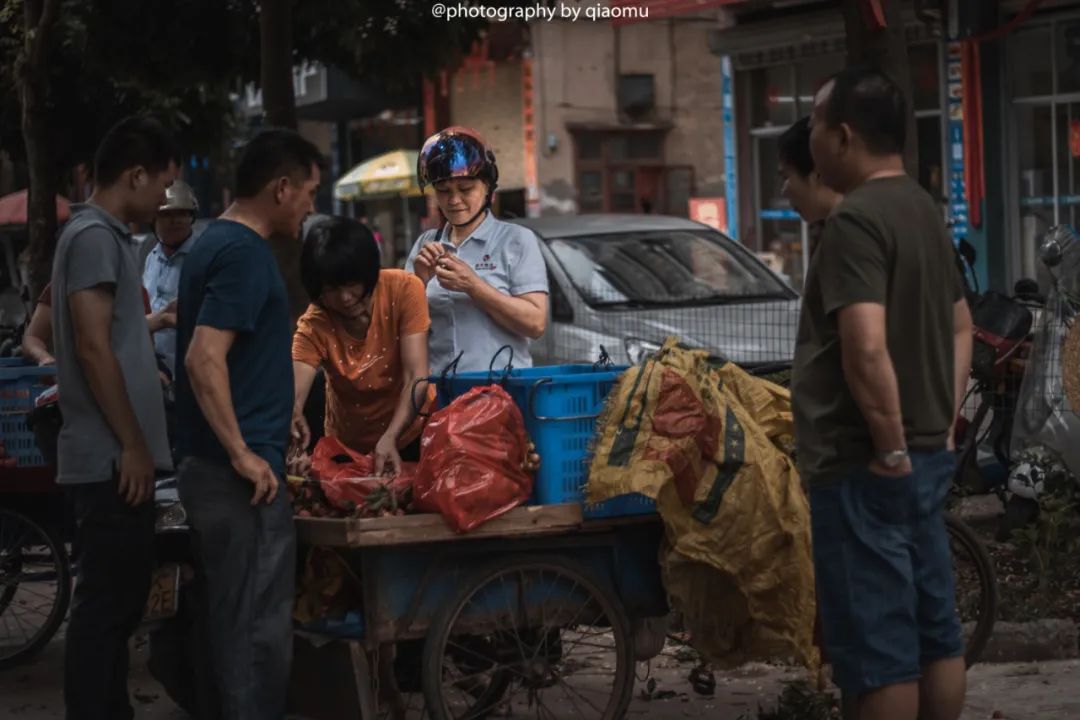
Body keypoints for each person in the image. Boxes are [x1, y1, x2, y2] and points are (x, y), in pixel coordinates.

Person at [792, 67, 973, 720]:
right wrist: (941, 424)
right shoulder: (923, 210)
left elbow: (865, 348)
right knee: (935, 637)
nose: (808, 135)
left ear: (842, 136)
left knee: (881, 656)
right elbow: (960, 325)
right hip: (926, 453)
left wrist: (891, 447)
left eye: (813, 123)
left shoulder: (854, 222)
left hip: (866, 464)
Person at [173, 128, 320, 720]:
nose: (312, 203)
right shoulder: (242, 253)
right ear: (281, 188)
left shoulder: (211, 242)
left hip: (223, 464)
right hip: (237, 480)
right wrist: (241, 451)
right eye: (309, 190)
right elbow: (202, 357)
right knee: (255, 632)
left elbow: (231, 360)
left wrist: (273, 416)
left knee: (233, 621)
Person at [50, 116, 178, 720]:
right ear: (134, 175)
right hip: (109, 462)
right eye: (161, 187)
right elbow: (93, 344)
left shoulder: (98, 236)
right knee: (105, 611)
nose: (162, 202)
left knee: (116, 608)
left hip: (113, 458)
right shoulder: (95, 237)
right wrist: (132, 443)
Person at [290, 216, 434, 475]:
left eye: (351, 285)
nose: (344, 298)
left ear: (369, 273)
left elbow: (417, 376)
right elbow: (294, 393)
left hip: (414, 430)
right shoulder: (314, 324)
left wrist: (391, 436)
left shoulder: (404, 289)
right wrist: (293, 421)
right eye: (332, 289)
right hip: (347, 448)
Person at [405, 127, 548, 373]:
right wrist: (418, 282)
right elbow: (401, 327)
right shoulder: (424, 245)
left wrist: (473, 285)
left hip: (501, 392)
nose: (454, 200)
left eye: (465, 189)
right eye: (443, 191)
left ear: (487, 188)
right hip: (439, 393)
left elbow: (535, 324)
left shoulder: (516, 240)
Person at [22, 281, 171, 367]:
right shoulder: (60, 286)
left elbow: (145, 351)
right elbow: (32, 337)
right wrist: (44, 358)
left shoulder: (131, 289)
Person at [143, 178, 200, 376]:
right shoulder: (151, 257)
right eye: (167, 214)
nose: (175, 220)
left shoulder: (202, 257)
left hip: (188, 371)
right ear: (154, 219)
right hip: (152, 368)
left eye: (182, 214)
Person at [778, 116, 843, 255]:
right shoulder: (837, 228)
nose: (784, 191)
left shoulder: (848, 235)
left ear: (818, 174)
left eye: (786, 177)